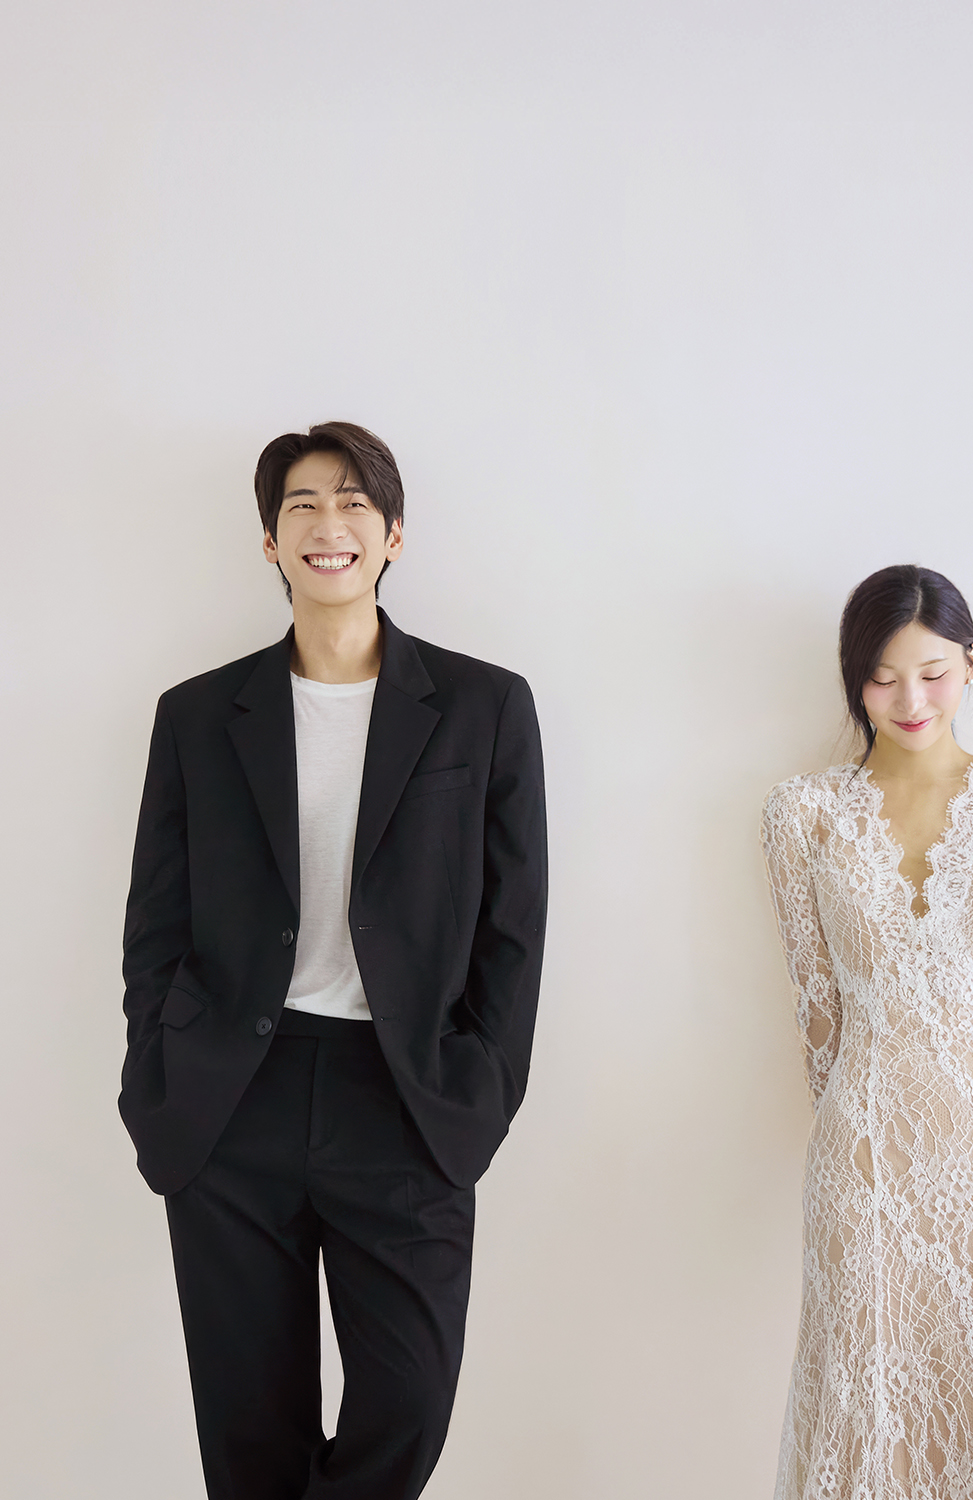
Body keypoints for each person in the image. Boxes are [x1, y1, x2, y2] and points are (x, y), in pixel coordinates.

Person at [119, 421, 548, 1500]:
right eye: (303, 503)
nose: (329, 522)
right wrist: (156, 1078)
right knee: (249, 1436)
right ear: (270, 540)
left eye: (355, 501)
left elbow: (515, 927)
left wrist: (481, 1088)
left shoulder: (486, 707)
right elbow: (153, 924)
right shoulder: (198, 714)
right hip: (233, 1100)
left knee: (408, 1403)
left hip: (404, 1097)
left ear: (394, 534)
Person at [760, 565, 973, 1500]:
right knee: (866, 1399)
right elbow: (817, 1011)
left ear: (972, 662)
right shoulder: (802, 815)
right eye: (882, 678)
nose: (910, 701)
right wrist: (861, 1136)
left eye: (934, 673)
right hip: (865, 1154)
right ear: (854, 679)